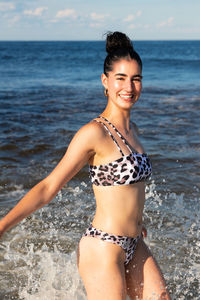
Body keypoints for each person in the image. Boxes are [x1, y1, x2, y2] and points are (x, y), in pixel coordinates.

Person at [0, 31, 171, 300]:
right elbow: (48, 187)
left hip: (135, 242)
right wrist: (2, 226)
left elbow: (127, 190)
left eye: (136, 79)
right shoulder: (94, 133)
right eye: (121, 78)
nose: (129, 87)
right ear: (105, 81)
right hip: (104, 245)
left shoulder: (134, 130)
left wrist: (137, 219)